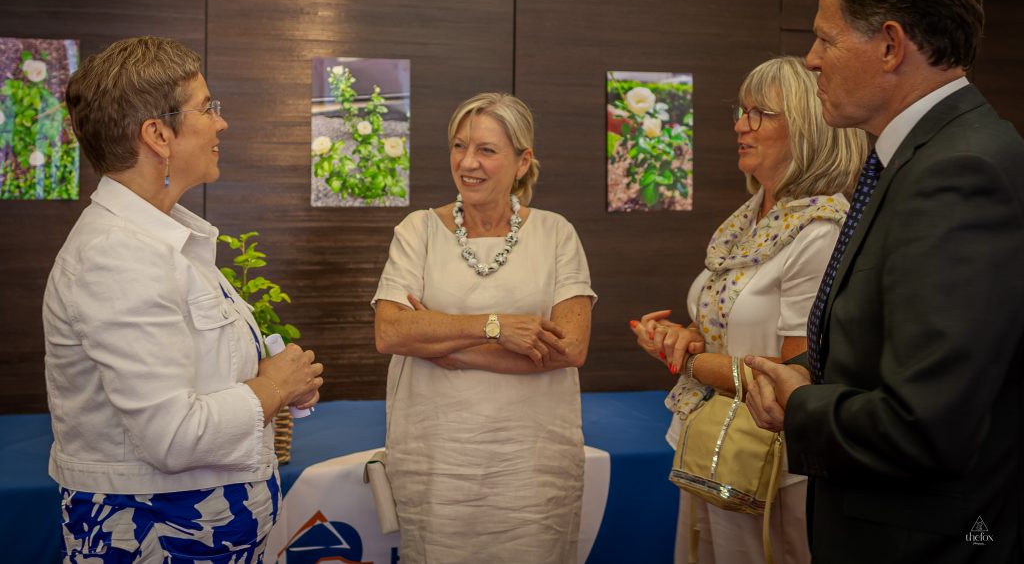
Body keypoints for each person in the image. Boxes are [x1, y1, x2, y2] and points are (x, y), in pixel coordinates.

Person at [745, 0, 1024, 563]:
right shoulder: (923, 159)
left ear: (892, 46)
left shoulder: (958, 174)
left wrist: (802, 406)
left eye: (824, 38)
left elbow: (926, 424)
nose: (811, 60)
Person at [43, 36, 324, 562]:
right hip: (159, 535)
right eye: (207, 108)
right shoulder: (116, 256)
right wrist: (272, 387)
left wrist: (276, 386)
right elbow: (172, 435)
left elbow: (195, 380)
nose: (221, 123)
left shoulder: (164, 239)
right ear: (157, 135)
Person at [631, 56, 867, 564]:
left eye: (760, 113)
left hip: (769, 466)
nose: (741, 124)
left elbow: (790, 378)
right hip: (709, 441)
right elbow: (725, 323)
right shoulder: (751, 218)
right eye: (742, 111)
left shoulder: (820, 232)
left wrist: (687, 362)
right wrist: (682, 335)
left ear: (806, 127)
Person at [373, 92, 596, 563]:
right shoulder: (418, 231)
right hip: (439, 462)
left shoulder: (556, 233)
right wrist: (496, 327)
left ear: (522, 161)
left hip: (532, 465)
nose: (467, 162)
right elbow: (391, 332)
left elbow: (570, 347)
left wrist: (445, 345)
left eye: (486, 150)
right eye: (459, 146)